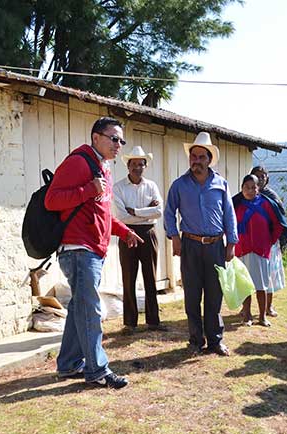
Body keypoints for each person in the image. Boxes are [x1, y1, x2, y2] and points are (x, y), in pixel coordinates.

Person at [44, 117, 143, 389]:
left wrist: (124, 231)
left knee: (80, 308)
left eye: (121, 140)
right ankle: (98, 370)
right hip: (78, 249)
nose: (118, 144)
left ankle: (68, 364)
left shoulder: (104, 168)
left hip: (93, 250)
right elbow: (51, 200)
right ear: (96, 137)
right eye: (114, 138)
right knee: (90, 311)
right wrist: (88, 189)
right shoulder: (78, 162)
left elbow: (101, 212)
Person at [164, 132, 237, 356]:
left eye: (201, 157)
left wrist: (231, 242)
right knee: (193, 294)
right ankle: (196, 340)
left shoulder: (220, 183)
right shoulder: (179, 185)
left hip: (216, 245)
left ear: (209, 159)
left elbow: (229, 215)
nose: (196, 160)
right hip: (190, 245)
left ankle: (215, 340)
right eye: (193, 156)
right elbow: (169, 213)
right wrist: (175, 238)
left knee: (215, 294)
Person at [112, 145, 167, 334]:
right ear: (128, 165)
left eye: (141, 164)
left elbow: (159, 211)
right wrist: (147, 211)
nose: (137, 167)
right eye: (134, 164)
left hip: (148, 233)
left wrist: (135, 211)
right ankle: (130, 323)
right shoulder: (118, 187)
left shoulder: (151, 186)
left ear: (145, 166)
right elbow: (122, 216)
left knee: (150, 276)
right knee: (129, 277)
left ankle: (153, 321)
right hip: (127, 233)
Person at [233, 174, 284, 327]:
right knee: (245, 284)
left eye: (253, 187)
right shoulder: (236, 205)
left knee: (261, 285)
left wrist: (269, 241)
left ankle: (262, 316)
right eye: (246, 187)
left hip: (261, 251)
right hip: (242, 249)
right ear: (241, 189)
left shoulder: (266, 205)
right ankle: (247, 314)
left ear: (258, 189)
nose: (249, 190)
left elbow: (277, 225)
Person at [250, 165, 286, 318]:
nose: (261, 178)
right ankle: (246, 309)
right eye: (258, 175)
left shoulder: (272, 196)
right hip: (251, 243)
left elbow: (280, 220)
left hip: (270, 243)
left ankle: (268, 307)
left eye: (264, 175)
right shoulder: (246, 195)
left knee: (269, 275)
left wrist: (275, 238)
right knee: (249, 274)